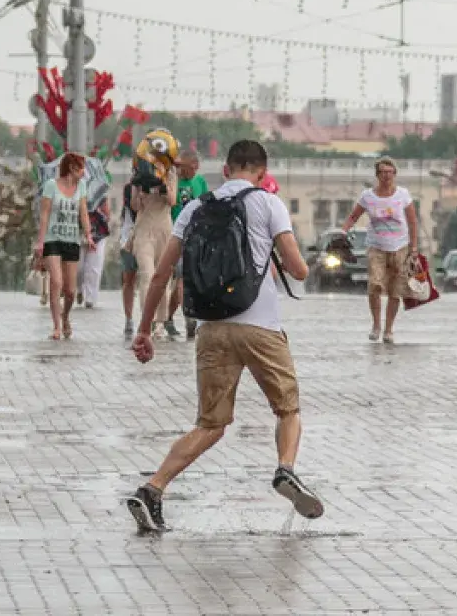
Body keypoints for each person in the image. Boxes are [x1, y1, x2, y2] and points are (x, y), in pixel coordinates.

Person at [125, 139, 323, 532]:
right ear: (263, 173)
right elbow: (298, 270)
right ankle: (286, 469)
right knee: (287, 408)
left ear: (226, 170)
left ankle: (152, 489)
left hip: (211, 328)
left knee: (210, 424)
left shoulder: (196, 208)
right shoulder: (269, 203)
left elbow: (162, 274)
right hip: (260, 325)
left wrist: (145, 329)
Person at [340, 156, 418, 343]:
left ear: (395, 174)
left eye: (390, 172)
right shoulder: (368, 196)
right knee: (375, 285)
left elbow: (413, 221)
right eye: (383, 172)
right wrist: (342, 232)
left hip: (400, 247)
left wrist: (414, 247)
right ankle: (376, 325)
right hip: (376, 247)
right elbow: (353, 216)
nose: (386, 176)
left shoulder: (403, 195)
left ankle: (389, 329)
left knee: (395, 290)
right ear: (377, 174)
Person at [33, 152, 95, 340]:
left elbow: (83, 213)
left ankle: (65, 316)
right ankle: (56, 326)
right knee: (56, 282)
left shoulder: (82, 187)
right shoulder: (51, 186)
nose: (83, 172)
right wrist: (40, 242)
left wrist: (88, 235)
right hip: (52, 240)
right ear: (71, 168)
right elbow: (44, 215)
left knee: (70, 291)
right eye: (81, 168)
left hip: (72, 241)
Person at [126, 163, 177, 341]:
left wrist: (163, 186)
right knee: (147, 275)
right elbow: (133, 206)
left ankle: (161, 321)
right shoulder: (139, 171)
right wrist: (140, 189)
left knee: (163, 276)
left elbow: (172, 201)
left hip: (164, 229)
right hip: (143, 229)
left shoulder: (170, 172)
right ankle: (148, 319)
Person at [165, 150, 209, 339]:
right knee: (183, 277)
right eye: (187, 167)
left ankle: (168, 316)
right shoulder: (173, 180)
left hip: (197, 236)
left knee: (186, 280)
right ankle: (189, 318)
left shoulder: (200, 182)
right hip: (176, 235)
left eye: (193, 168)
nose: (190, 171)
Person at [77, 195, 109, 309]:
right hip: (77, 229)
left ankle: (90, 298)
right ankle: (79, 289)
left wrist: (101, 212)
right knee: (78, 268)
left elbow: (107, 211)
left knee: (93, 268)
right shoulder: (73, 188)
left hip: (97, 231)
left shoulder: (99, 189)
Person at [119, 183, 139, 338]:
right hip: (129, 237)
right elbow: (135, 209)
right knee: (129, 279)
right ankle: (129, 318)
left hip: (151, 236)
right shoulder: (128, 188)